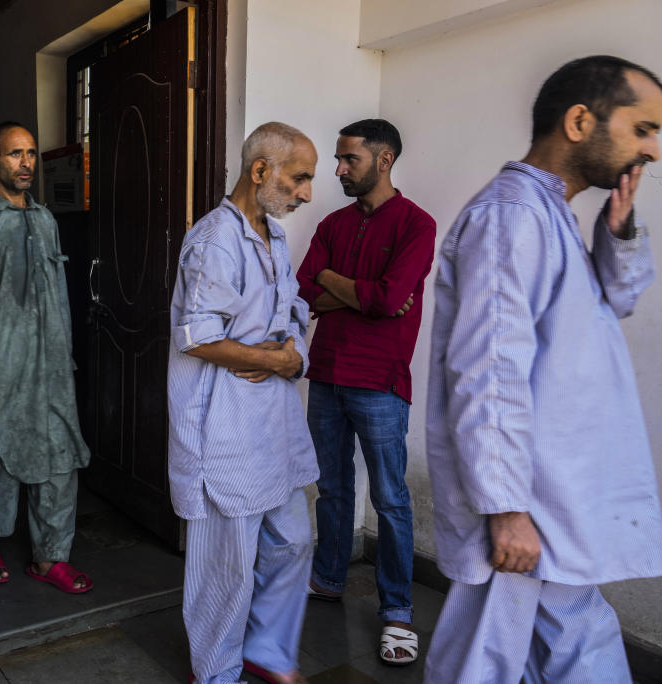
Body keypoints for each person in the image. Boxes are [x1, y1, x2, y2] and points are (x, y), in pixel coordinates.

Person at [425, 55, 662, 683]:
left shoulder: (553, 213)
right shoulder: (512, 218)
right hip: (530, 507)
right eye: (643, 129)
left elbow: (620, 300)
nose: (653, 151)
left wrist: (621, 228)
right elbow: (488, 370)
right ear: (581, 121)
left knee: (525, 654)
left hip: (554, 499)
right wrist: (506, 508)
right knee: (500, 658)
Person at [168, 122, 320, 684]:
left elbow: (294, 310)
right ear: (261, 171)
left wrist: (293, 354)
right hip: (223, 426)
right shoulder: (214, 240)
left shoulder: (273, 237)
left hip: (271, 423)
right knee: (224, 569)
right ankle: (216, 673)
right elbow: (198, 336)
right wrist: (274, 362)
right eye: (300, 178)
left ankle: (268, 651)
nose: (306, 192)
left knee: (293, 541)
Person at [296, 119, 436, 666]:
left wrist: (338, 282)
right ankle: (329, 579)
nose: (338, 169)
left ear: (384, 159)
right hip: (326, 374)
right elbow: (304, 291)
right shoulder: (332, 223)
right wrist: (358, 291)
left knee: (390, 498)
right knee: (332, 488)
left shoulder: (416, 225)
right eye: (339, 159)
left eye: (348, 159)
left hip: (381, 381)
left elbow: (390, 299)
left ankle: (397, 611)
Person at [0, 122, 93, 593]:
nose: (27, 164)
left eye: (32, 154)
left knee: (60, 456)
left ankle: (50, 557)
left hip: (53, 363)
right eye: (15, 155)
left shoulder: (46, 220)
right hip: (1, 360)